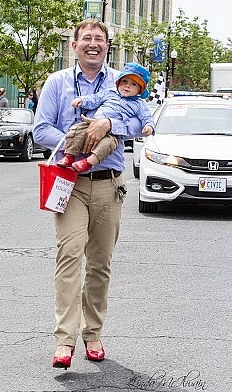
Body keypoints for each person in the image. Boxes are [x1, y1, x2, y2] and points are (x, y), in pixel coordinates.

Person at [33, 19, 153, 370]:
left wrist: (108, 125)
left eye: (99, 39)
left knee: (100, 264)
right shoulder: (57, 82)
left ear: (107, 46)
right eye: (86, 38)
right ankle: (64, 340)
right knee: (69, 255)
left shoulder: (125, 82)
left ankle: (93, 333)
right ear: (74, 46)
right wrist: (81, 135)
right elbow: (40, 129)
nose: (92, 44)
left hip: (109, 182)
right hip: (69, 182)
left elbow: (140, 124)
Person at [57, 62, 154, 173]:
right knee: (76, 131)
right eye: (125, 81)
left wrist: (149, 126)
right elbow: (95, 99)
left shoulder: (140, 104)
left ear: (140, 90)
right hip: (92, 123)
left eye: (134, 84)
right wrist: (82, 100)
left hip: (113, 133)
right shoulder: (110, 93)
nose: (127, 86)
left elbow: (147, 118)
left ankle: (88, 162)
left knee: (108, 145)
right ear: (118, 82)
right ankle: (69, 156)